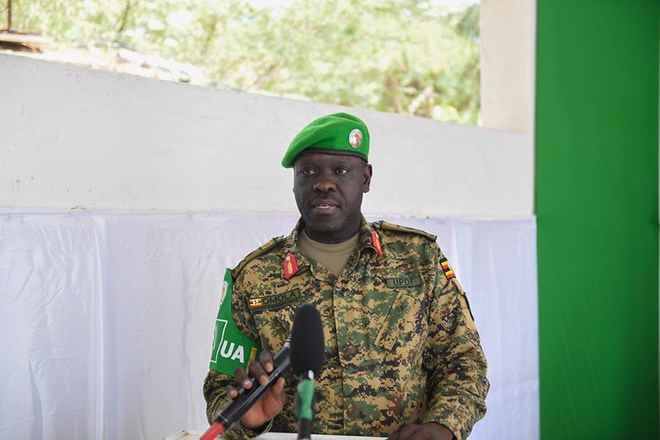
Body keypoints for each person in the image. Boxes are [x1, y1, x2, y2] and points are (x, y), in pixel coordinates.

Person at [203, 112, 489, 440]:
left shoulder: (418, 258)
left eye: (341, 171)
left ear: (365, 178)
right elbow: (219, 389)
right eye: (308, 172)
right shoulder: (253, 276)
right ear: (294, 183)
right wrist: (249, 419)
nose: (323, 183)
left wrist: (443, 426)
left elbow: (463, 361)